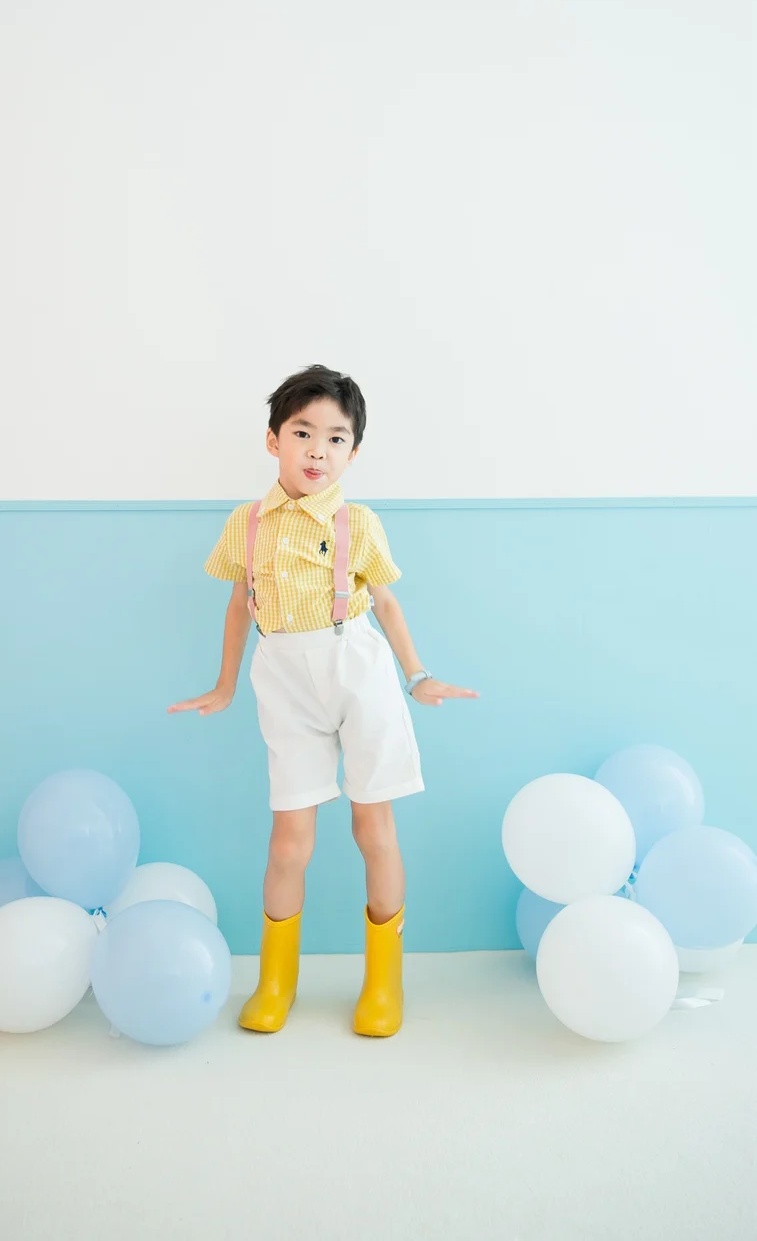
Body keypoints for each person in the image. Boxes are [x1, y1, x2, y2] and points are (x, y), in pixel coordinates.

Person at [168, 365, 477, 1036]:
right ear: (273, 439)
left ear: (352, 453)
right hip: (281, 676)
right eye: (302, 432)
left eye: (336, 438)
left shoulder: (357, 523)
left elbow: (386, 603)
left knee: (373, 829)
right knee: (289, 842)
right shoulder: (247, 523)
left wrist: (417, 675)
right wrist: (224, 684)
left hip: (357, 669)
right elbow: (237, 606)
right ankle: (275, 982)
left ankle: (384, 984)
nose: (317, 450)